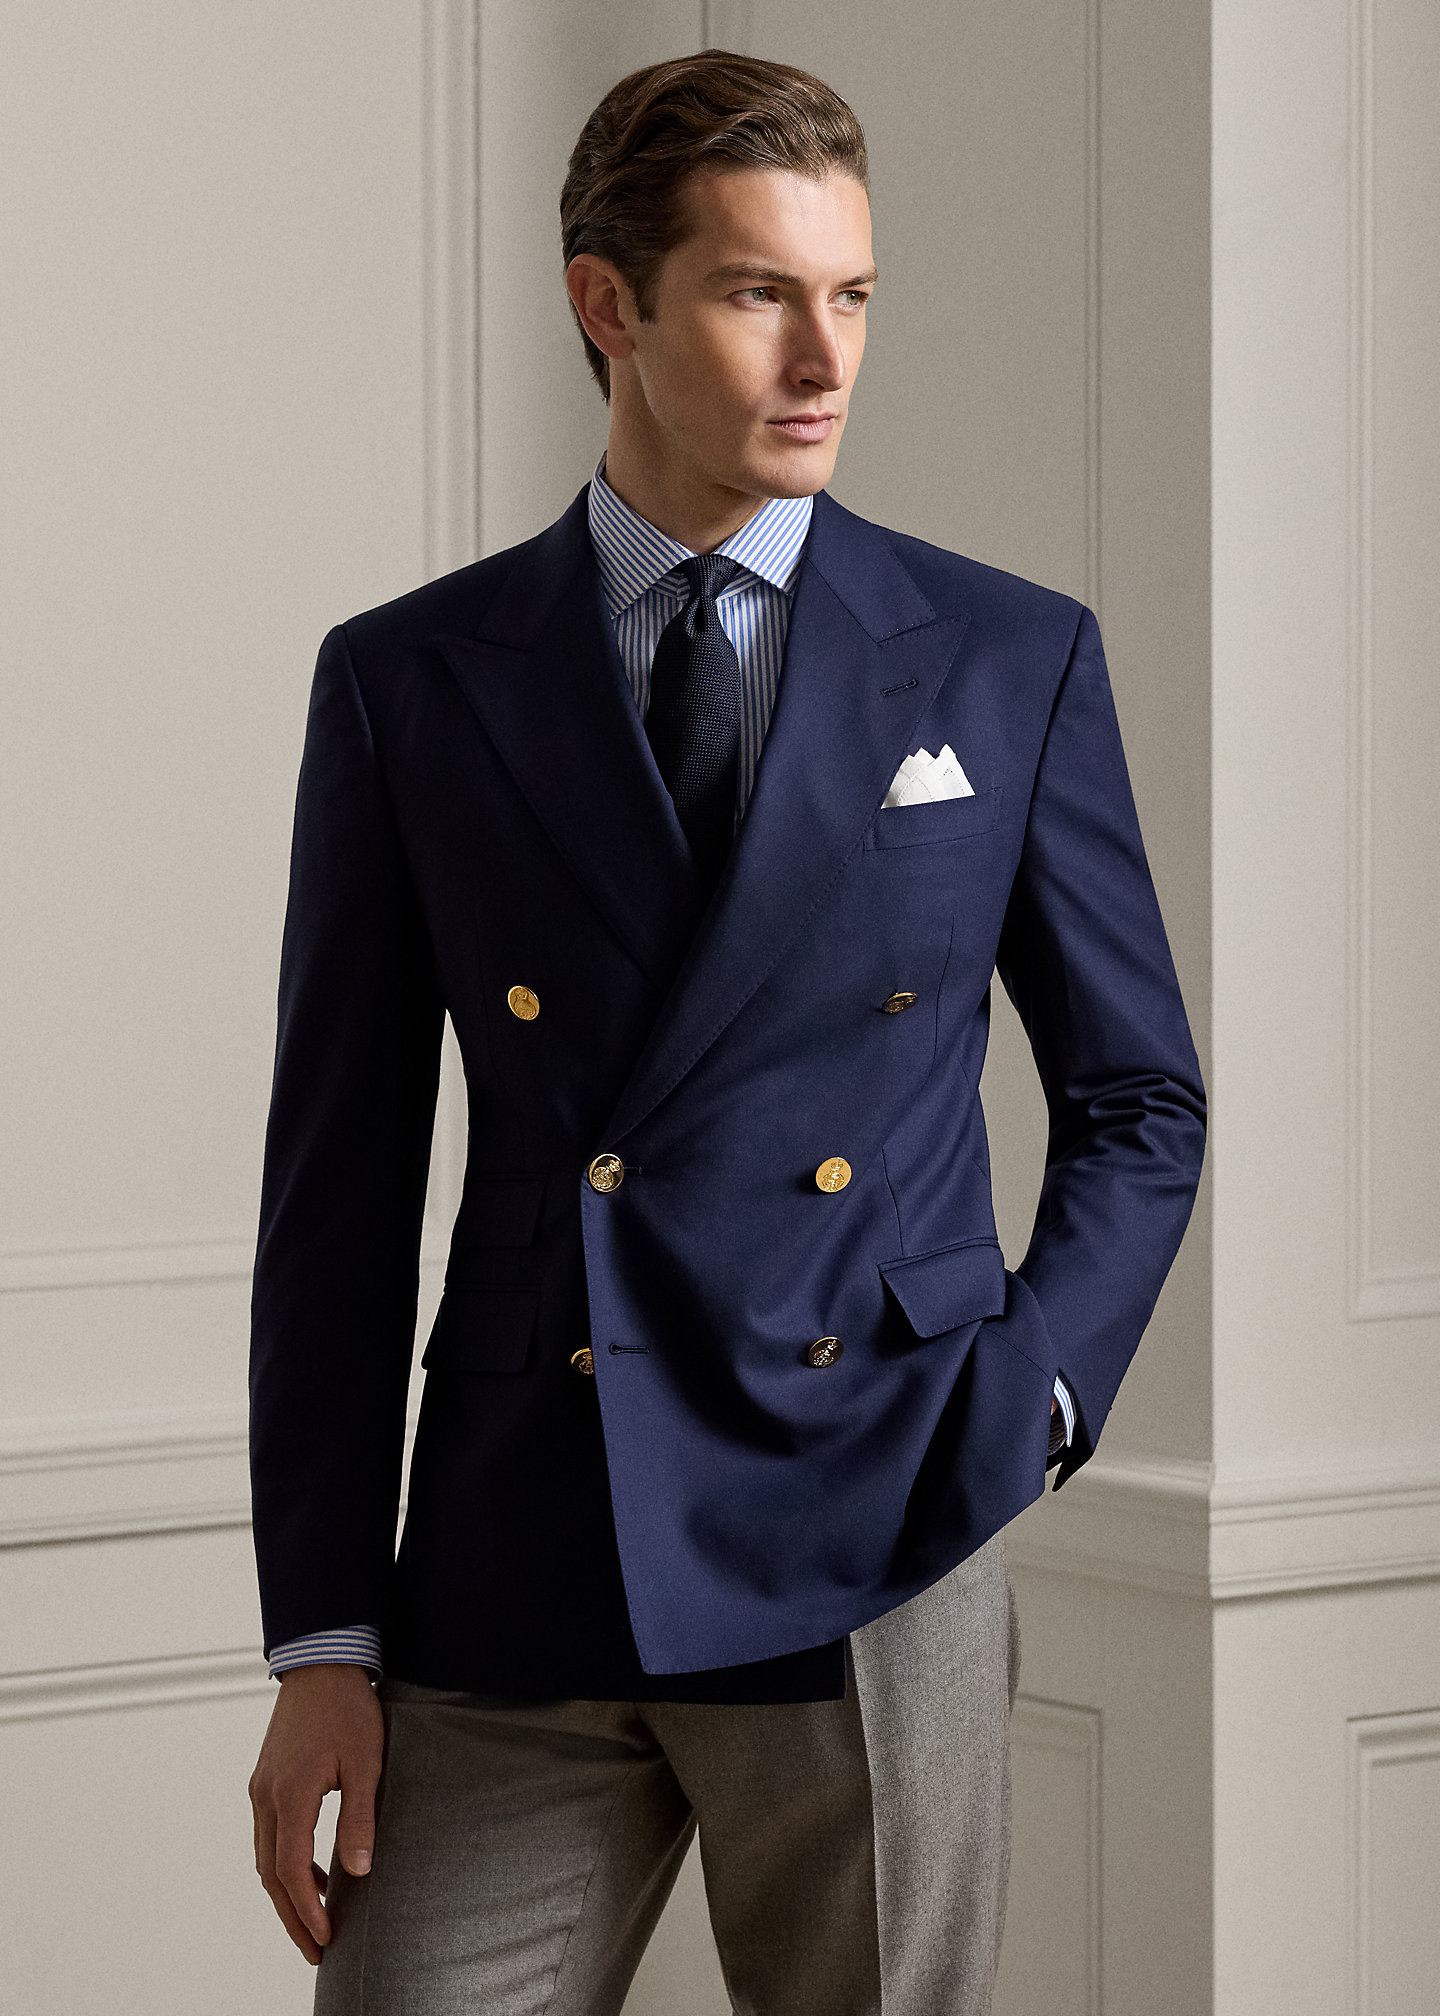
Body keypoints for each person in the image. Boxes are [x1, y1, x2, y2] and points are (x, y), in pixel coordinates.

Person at [247, 48, 1205, 2016]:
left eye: (851, 296)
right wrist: (323, 1633)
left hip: (877, 1515)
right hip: (522, 1529)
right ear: (610, 303)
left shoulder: (1005, 655)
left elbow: (1138, 1095)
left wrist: (1029, 1397)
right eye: (760, 292)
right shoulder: (412, 680)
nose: (824, 358)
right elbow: (337, 1189)